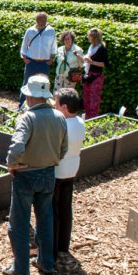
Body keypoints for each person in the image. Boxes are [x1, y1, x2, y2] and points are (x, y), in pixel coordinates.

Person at [3, 75, 68, 275]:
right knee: (45, 218)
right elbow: (64, 148)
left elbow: (17, 147)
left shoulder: (27, 118)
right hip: (49, 174)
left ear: (30, 96)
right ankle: (46, 262)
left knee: (19, 222)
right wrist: (51, 159)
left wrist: (12, 165)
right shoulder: (59, 117)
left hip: (26, 176)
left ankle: (21, 269)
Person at [53, 88, 85, 262]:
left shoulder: (62, 125)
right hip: (72, 170)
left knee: (53, 210)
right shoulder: (80, 122)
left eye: (56, 103)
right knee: (65, 208)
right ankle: (63, 245)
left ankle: (52, 248)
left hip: (58, 172)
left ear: (64, 107)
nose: (54, 106)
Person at [19, 12, 57, 107]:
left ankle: (43, 105)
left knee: (44, 84)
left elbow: (54, 46)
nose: (42, 22)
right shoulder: (30, 30)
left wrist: (51, 59)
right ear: (36, 20)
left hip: (44, 63)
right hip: (31, 62)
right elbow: (24, 46)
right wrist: (24, 58)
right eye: (40, 20)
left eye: (44, 20)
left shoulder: (51, 31)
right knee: (27, 83)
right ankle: (22, 105)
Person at [81, 27, 109, 119]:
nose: (88, 37)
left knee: (94, 100)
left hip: (96, 76)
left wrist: (91, 62)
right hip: (88, 75)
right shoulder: (91, 47)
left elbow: (104, 64)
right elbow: (87, 61)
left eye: (89, 36)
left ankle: (93, 119)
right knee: (86, 99)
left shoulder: (102, 48)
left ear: (95, 37)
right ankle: (88, 118)